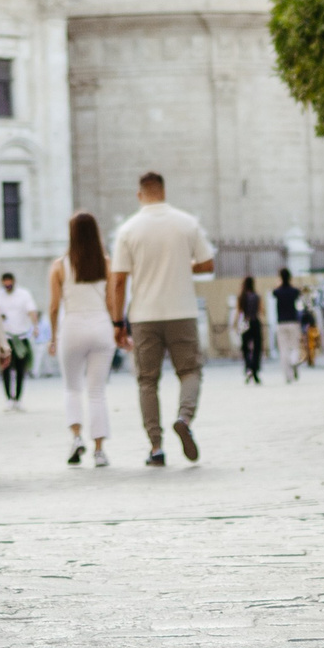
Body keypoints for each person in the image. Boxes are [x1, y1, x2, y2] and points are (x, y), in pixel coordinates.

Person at [106, 170, 214, 467]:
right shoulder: (186, 223)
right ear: (164, 191)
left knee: (147, 381)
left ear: (140, 195)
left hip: (144, 316)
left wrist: (117, 323)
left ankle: (156, 447)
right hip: (182, 312)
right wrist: (182, 266)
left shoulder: (128, 230)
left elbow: (117, 281)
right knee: (190, 371)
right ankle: (184, 417)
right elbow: (207, 263)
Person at [48, 212, 115, 467]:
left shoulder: (59, 266)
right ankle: (99, 451)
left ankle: (76, 437)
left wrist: (53, 337)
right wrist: (118, 328)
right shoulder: (105, 264)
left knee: (72, 388)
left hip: (72, 327)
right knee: (97, 391)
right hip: (100, 326)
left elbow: (54, 306)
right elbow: (111, 301)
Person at [0, 272, 38, 406]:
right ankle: (9, 398)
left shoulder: (24, 294)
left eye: (9, 282)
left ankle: (18, 398)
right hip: (5, 338)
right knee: (5, 369)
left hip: (21, 337)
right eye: (5, 283)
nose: (7, 285)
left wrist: (35, 326)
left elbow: (31, 310)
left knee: (21, 369)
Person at [271, 267, 306, 382]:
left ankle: (287, 376)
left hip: (281, 323)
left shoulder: (277, 292)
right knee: (294, 347)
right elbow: (299, 297)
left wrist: (279, 283)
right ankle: (294, 361)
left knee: (284, 349)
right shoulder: (294, 291)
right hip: (293, 322)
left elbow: (274, 292)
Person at [236, 275, 265, 384]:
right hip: (255, 322)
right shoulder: (257, 296)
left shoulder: (241, 297)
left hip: (245, 323)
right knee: (257, 348)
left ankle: (248, 367)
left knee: (245, 348)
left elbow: (238, 312)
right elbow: (261, 310)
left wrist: (235, 325)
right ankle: (255, 370)